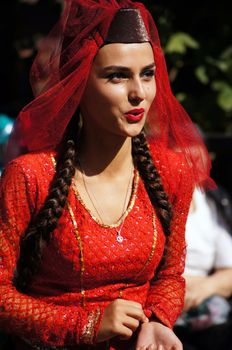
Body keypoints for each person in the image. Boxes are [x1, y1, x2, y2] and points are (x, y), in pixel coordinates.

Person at [0, 1, 213, 349]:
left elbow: (171, 275)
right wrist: (86, 324)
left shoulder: (171, 171)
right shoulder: (30, 176)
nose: (138, 93)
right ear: (77, 84)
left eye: (147, 74)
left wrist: (158, 320)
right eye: (117, 76)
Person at [174, 187, 232, 350]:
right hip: (162, 308)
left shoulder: (211, 200)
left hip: (203, 309)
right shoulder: (148, 197)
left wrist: (203, 288)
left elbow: (229, 272)